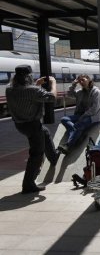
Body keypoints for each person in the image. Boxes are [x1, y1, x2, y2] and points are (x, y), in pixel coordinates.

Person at [6, 65, 61, 194]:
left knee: (45, 132)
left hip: (20, 125)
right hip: (32, 125)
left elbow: (27, 94)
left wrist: (36, 84)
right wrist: (53, 83)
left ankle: (53, 157)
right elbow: (52, 97)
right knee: (36, 154)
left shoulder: (9, 89)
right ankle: (28, 184)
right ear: (28, 77)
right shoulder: (33, 90)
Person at [58, 74, 100, 154]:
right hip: (80, 115)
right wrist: (73, 84)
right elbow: (70, 94)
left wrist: (83, 116)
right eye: (79, 81)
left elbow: (94, 109)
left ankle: (68, 145)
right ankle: (78, 135)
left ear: (89, 80)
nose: (81, 82)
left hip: (92, 117)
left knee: (80, 123)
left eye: (83, 80)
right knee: (64, 119)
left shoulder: (96, 92)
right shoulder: (80, 92)